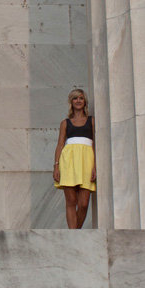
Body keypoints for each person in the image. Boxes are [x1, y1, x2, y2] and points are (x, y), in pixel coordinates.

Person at [52, 88, 96, 229]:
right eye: (75, 98)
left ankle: (75, 232)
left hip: (86, 162)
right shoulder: (65, 123)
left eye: (81, 98)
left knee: (83, 203)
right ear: (71, 101)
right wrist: (56, 166)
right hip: (68, 162)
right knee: (71, 200)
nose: (78, 101)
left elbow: (95, 143)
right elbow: (60, 145)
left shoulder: (91, 121)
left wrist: (95, 166)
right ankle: (73, 235)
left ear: (85, 102)